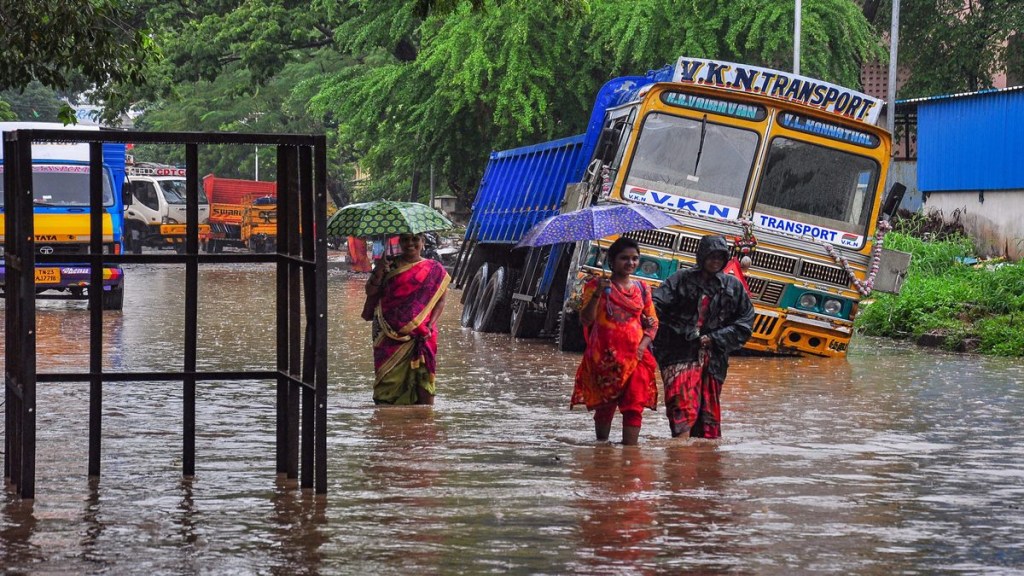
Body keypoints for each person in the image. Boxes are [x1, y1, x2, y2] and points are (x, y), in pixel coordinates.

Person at [651, 234, 754, 439]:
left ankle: (699, 460)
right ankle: (679, 454)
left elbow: (745, 322)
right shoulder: (680, 279)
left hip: (714, 358)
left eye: (720, 257)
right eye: (711, 256)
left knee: (708, 411)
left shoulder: (733, 287)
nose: (715, 261)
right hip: (679, 352)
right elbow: (655, 306)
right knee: (681, 403)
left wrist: (714, 338)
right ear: (701, 256)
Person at [571, 237, 659, 445]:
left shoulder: (643, 289)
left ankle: (629, 456)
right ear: (611, 260)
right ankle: (602, 452)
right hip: (605, 358)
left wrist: (642, 348)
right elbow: (586, 319)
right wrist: (598, 294)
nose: (630, 263)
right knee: (604, 407)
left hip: (636, 358)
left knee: (634, 407)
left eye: (635, 259)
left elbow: (653, 322)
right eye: (624, 258)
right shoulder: (595, 285)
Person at [363, 232, 451, 405]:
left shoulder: (435, 269)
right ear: (399, 242)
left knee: (424, 378)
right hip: (388, 332)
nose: (410, 243)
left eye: (415, 239)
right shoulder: (389, 265)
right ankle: (386, 420)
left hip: (424, 331)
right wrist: (379, 270)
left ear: (423, 242)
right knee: (388, 379)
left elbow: (440, 301)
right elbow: (370, 292)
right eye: (405, 239)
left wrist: (431, 324)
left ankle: (423, 421)